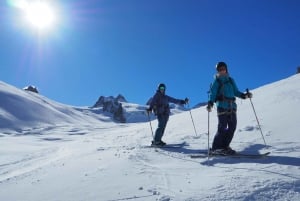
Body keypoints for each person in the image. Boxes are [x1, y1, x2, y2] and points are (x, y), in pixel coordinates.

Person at [206, 62, 252, 155]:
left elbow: (236, 91)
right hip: (222, 107)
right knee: (222, 127)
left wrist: (244, 96)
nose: (222, 70)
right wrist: (210, 103)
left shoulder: (231, 80)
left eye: (223, 68)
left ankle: (225, 146)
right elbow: (212, 93)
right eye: (219, 69)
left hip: (232, 107)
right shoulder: (217, 81)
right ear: (217, 71)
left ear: (226, 69)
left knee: (232, 127)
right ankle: (216, 148)